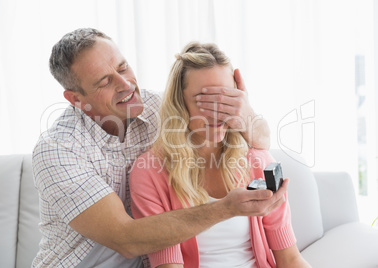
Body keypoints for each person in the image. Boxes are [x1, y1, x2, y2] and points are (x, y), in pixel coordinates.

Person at [32, 28, 284, 268]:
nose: (125, 84)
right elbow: (126, 239)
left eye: (123, 67)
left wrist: (246, 114)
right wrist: (227, 208)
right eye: (105, 81)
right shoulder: (58, 149)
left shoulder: (159, 107)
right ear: (77, 99)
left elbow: (260, 142)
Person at [130, 42, 311, 268]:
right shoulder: (149, 173)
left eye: (226, 100)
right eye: (203, 100)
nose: (217, 112)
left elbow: (290, 259)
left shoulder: (257, 161)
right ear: (180, 103)